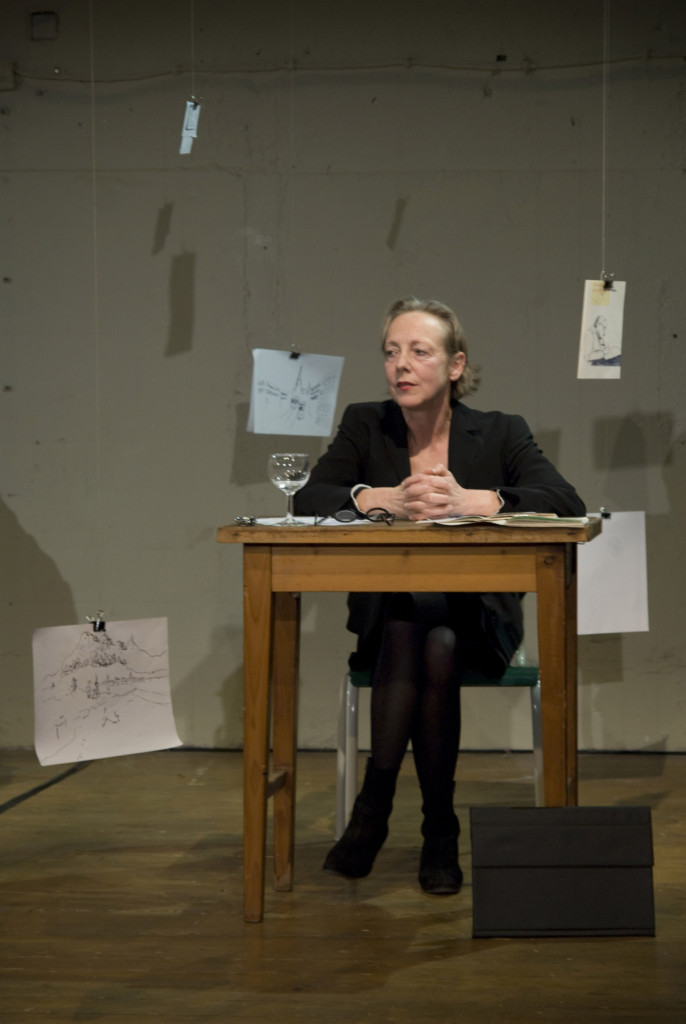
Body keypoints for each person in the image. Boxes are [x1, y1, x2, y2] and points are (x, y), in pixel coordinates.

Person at [294, 296, 586, 896]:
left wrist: (482, 500)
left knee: (442, 634)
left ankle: (374, 810)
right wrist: (377, 498)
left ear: (455, 366)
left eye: (419, 352)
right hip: (393, 629)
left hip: (482, 623)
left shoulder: (501, 430)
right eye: (391, 352)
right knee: (420, 628)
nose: (401, 365)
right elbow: (308, 497)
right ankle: (438, 828)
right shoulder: (364, 423)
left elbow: (566, 501)